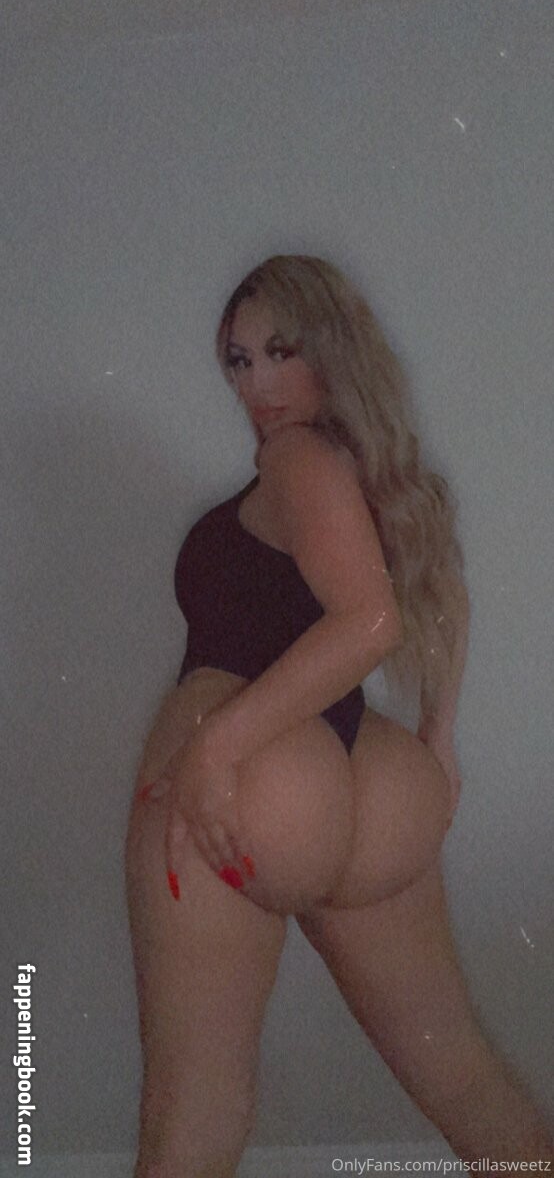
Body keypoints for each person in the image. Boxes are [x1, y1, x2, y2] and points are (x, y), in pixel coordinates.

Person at [124, 255, 554, 1177]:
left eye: (282, 352)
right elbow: (439, 593)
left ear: (331, 348)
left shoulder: (296, 459)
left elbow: (370, 621)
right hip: (377, 788)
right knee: (469, 1085)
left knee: (193, 1116)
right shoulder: (375, 472)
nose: (257, 384)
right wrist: (438, 744)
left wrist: (212, 752)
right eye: (239, 360)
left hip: (249, 790)